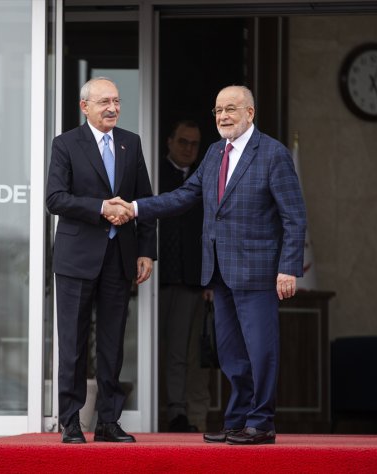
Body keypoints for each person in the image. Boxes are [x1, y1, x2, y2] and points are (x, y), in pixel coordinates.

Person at [111, 85, 306, 445]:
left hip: (258, 272)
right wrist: (136, 208)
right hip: (219, 271)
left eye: (231, 109)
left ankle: (261, 422)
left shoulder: (273, 154)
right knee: (231, 353)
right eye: (218, 110)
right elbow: (185, 196)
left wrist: (289, 267)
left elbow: (294, 216)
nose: (223, 116)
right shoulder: (216, 152)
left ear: (250, 113)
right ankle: (237, 421)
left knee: (260, 350)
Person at [46, 77, 156, 444]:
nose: (112, 108)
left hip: (119, 257)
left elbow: (144, 199)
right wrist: (101, 208)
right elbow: (55, 198)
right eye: (104, 102)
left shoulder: (130, 142)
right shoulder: (66, 144)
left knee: (112, 343)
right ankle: (71, 421)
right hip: (77, 259)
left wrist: (146, 250)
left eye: (116, 101)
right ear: (85, 107)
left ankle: (109, 421)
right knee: (73, 344)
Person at [158, 120, 211, 433]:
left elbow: (211, 230)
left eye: (194, 144)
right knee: (154, 350)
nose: (189, 148)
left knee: (185, 353)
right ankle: (156, 411)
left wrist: (210, 278)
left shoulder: (204, 177)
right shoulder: (156, 173)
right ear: (169, 142)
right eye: (183, 142)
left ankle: (181, 414)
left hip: (192, 280)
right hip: (155, 279)